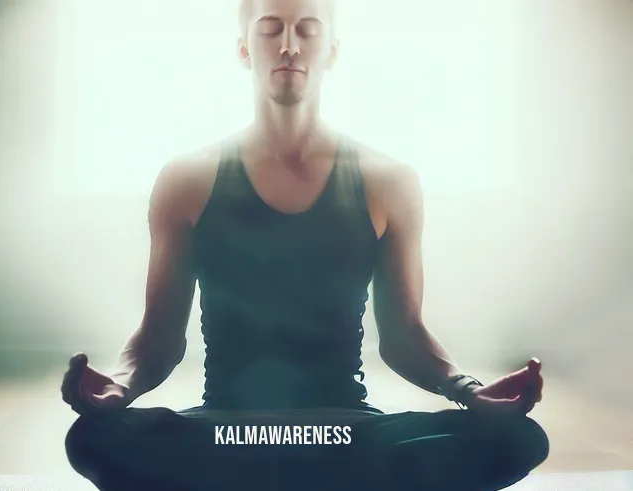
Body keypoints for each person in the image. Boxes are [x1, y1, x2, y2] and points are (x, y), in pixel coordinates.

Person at [62, 0, 549, 489]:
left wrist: (470, 392)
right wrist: (119, 387)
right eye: (271, 29)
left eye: (308, 31)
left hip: (342, 430)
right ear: (243, 49)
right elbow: (159, 338)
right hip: (231, 430)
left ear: (332, 51)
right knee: (92, 437)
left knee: (520, 439)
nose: (290, 45)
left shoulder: (389, 181)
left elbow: (403, 335)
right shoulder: (186, 181)